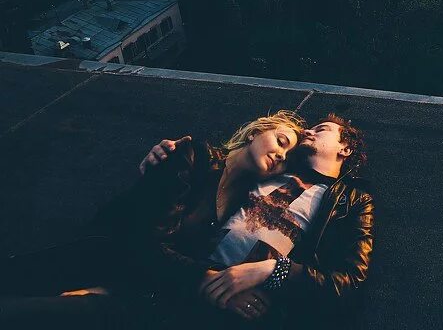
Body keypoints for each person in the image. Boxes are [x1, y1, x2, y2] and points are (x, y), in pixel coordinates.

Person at [0, 110, 307, 328]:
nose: (281, 156)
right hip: (96, 256)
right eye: (281, 142)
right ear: (255, 132)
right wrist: (211, 280)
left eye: (287, 160)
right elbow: (143, 238)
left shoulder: (244, 205)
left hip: (137, 282)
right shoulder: (192, 156)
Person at [139, 114, 374, 328]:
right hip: (185, 283)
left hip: (251, 314)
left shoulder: (353, 201)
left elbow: (350, 283)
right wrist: (168, 154)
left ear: (345, 148)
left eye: (321, 129)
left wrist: (274, 270)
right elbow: (224, 162)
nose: (309, 132)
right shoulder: (272, 168)